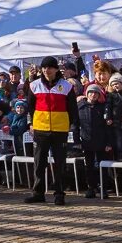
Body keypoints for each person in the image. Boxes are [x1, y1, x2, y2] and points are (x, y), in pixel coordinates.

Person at [24, 56, 79, 206]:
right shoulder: (34, 85)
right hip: (40, 129)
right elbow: (30, 107)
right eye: (44, 68)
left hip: (60, 130)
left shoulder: (66, 86)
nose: (46, 70)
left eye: (49, 67)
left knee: (60, 163)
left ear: (56, 69)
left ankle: (59, 193)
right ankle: (38, 193)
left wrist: (69, 125)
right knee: (39, 162)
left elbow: (72, 108)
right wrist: (30, 123)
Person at [76, 84, 112, 199]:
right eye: (91, 92)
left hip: (101, 141)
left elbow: (108, 127)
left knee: (103, 166)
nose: (93, 95)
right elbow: (75, 125)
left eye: (96, 93)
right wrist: (77, 142)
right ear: (87, 94)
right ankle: (91, 188)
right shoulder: (80, 107)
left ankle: (104, 189)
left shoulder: (103, 107)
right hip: (86, 140)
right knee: (89, 166)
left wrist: (108, 143)